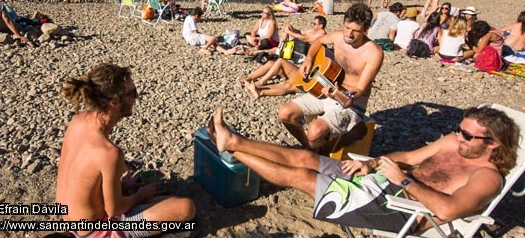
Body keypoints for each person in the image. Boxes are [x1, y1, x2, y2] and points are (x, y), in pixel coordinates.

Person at [208, 105, 518, 233]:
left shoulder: (487, 178)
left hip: (401, 209)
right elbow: (408, 156)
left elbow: (448, 209)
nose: (458, 136)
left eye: (466, 135)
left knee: (303, 177)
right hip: (384, 181)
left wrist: (403, 181)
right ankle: (234, 139)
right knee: (306, 159)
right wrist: (370, 162)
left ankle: (231, 147)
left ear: (492, 144)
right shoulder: (452, 142)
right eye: (460, 129)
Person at [57, 64, 195, 237]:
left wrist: (122, 186)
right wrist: (140, 196)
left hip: (71, 220)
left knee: (163, 197)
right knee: (185, 208)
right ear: (113, 102)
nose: (137, 96)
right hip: (94, 232)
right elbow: (114, 209)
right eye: (132, 93)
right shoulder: (109, 152)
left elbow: (82, 177)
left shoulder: (78, 121)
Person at [278, 3, 384, 153]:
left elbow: (360, 89)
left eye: (355, 31)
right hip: (326, 89)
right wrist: (308, 60)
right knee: (285, 112)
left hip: (350, 102)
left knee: (315, 131)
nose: (348, 34)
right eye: (347, 28)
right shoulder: (338, 36)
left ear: (366, 30)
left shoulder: (374, 53)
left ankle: (320, 153)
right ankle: (310, 149)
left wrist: (339, 93)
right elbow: (318, 42)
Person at [242, 16, 327, 98]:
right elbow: (301, 32)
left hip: (304, 71)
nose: (313, 25)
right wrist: (290, 28)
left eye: (315, 24)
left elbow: (304, 38)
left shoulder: (321, 35)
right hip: (301, 67)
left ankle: (261, 83)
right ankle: (248, 79)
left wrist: (289, 32)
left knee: (280, 62)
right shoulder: (313, 31)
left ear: (321, 26)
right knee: (271, 63)